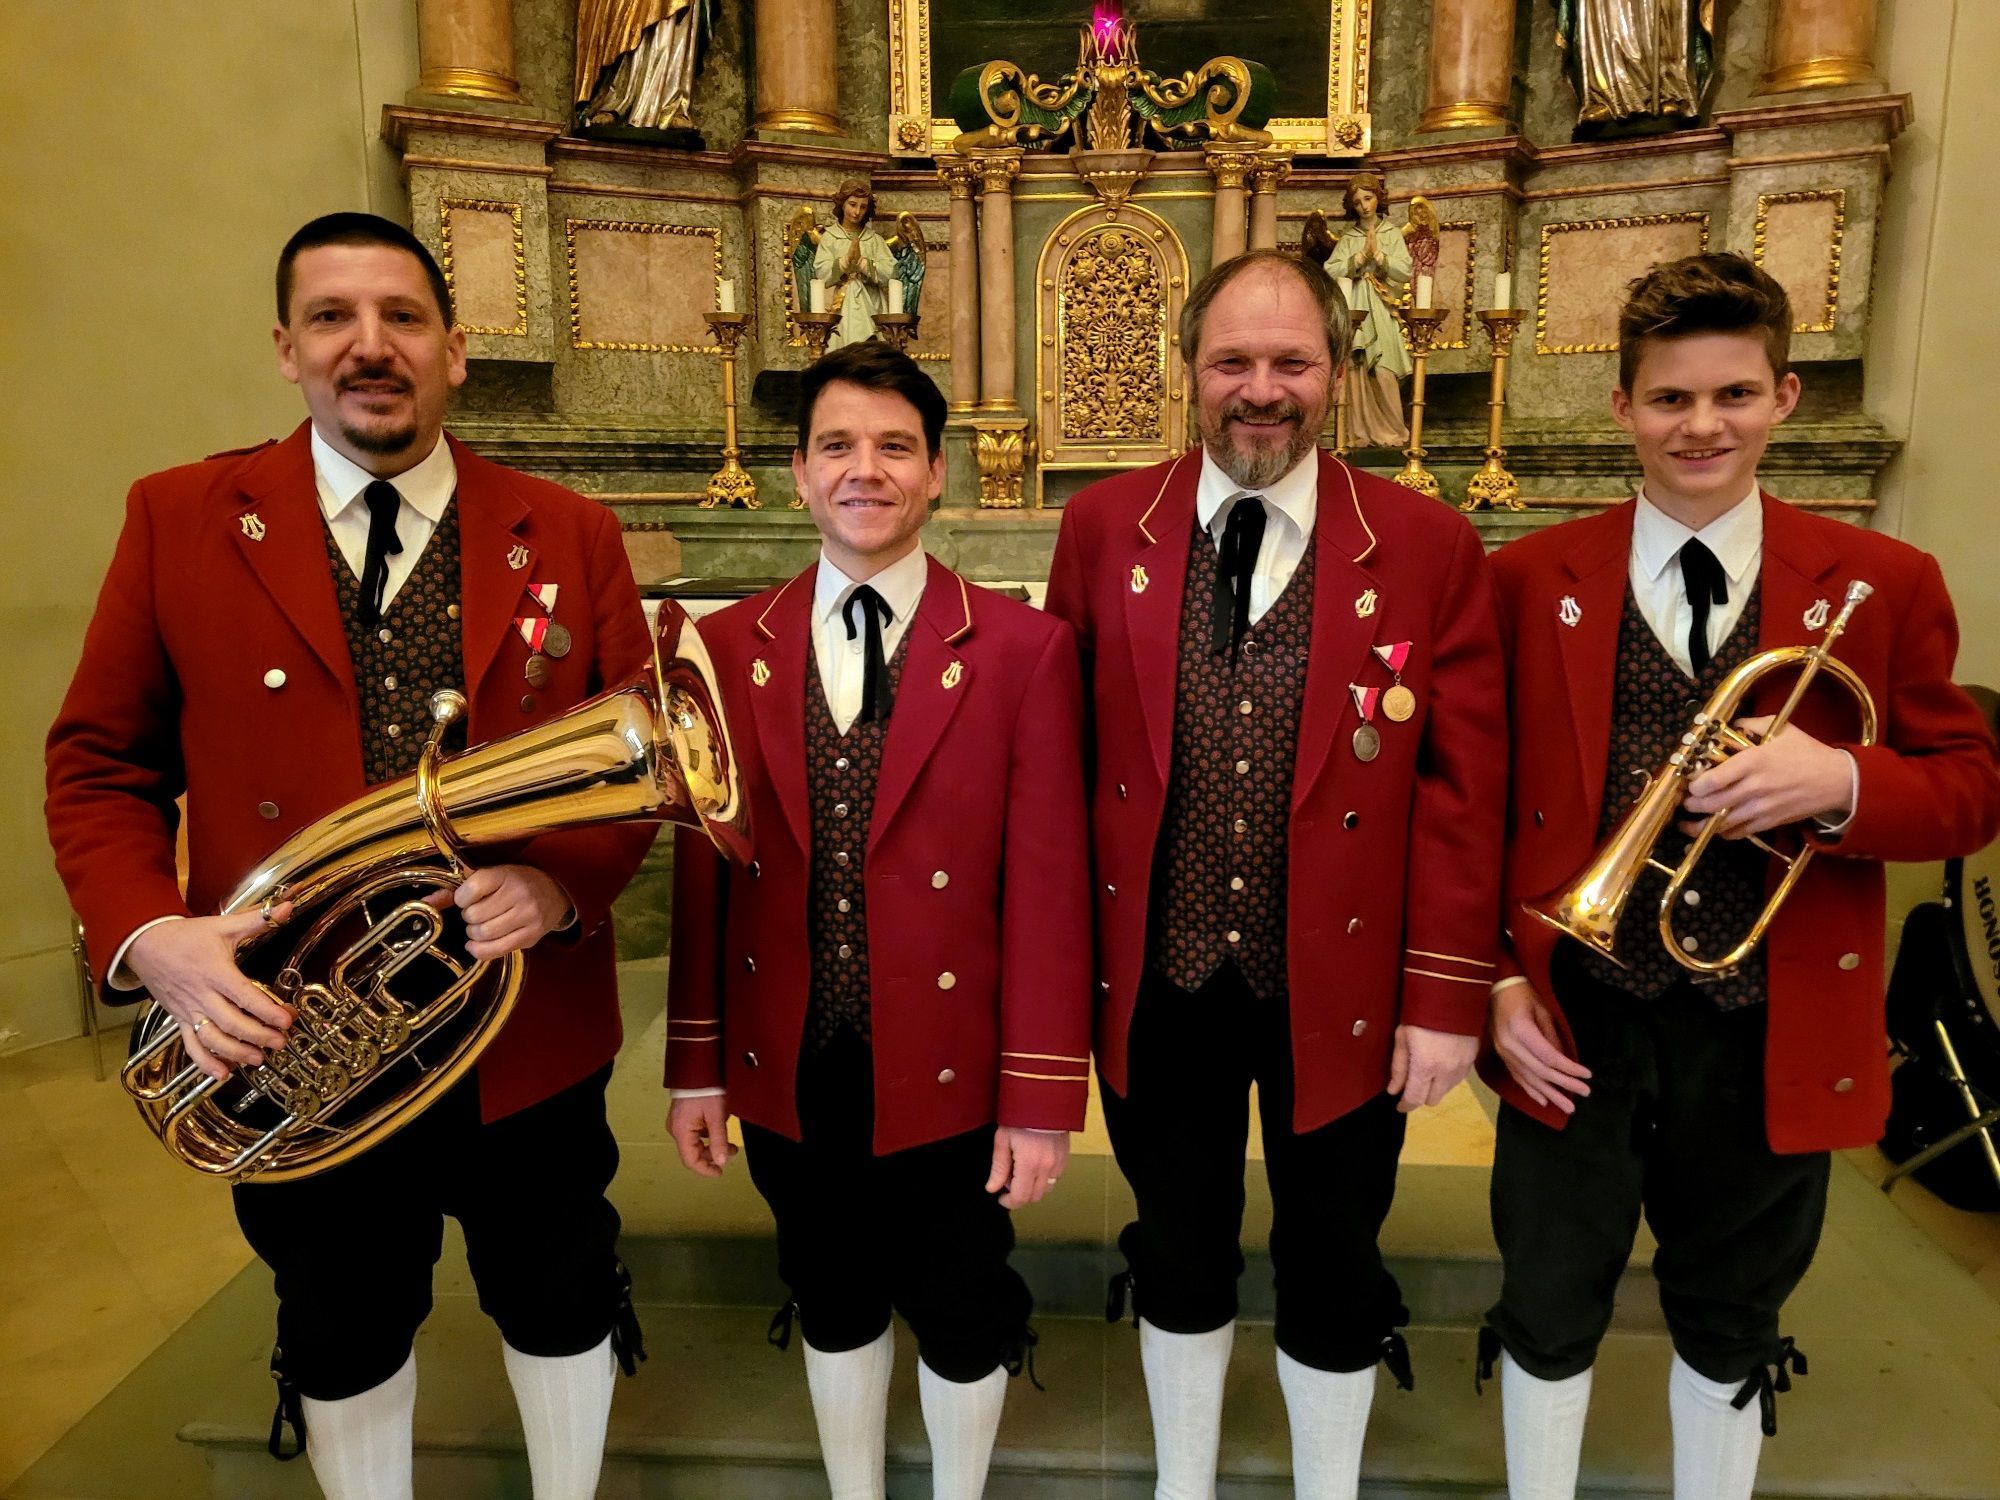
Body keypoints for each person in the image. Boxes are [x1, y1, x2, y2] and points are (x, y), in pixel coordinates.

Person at [45, 212, 659, 1500]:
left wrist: (560, 884)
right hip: (295, 1028)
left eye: (403, 318)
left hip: (523, 1024)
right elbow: (97, 768)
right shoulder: (179, 518)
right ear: (286, 349)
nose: (368, 346)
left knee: (557, 1289)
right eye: (332, 318)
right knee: (337, 1317)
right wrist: (152, 936)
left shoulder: (567, 526)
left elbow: (637, 766)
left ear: (455, 353)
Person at [1479, 251, 2000, 1499]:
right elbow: (1469, 813)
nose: (1698, 425)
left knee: (1731, 1311)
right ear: (1620, 411)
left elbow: (1971, 789)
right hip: (1574, 1016)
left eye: (1729, 393)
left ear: (1784, 396)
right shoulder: (1523, 580)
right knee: (1547, 1295)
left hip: (1766, 1015)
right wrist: (1494, 984)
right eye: (1668, 399)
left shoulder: (1882, 585)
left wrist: (1843, 786)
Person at [1044, 249, 1508, 1499]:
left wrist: (1445, 994)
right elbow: (1062, 767)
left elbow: (1464, 793)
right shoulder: (1100, 528)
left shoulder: (1422, 541)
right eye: (1232, 362)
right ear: (1186, 374)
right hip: (1161, 977)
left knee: (1334, 1251)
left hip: (1342, 990)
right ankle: (1183, 1482)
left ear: (1336, 374)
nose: (1261, 390)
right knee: (1176, 1244)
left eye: (1291, 362)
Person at [665, 342, 1092, 1500]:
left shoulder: (1023, 651)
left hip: (951, 1058)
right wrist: (695, 1066)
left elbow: (1051, 892)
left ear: (938, 472)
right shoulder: (721, 648)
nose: (867, 470)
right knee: (827, 1281)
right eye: (838, 446)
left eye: (894, 446)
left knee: (961, 1292)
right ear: (796, 473)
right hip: (789, 1045)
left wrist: (1042, 1097)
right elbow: (704, 874)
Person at [1322, 173, 1411, 449]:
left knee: (1384, 368)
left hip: (1381, 307)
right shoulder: (1349, 238)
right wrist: (1359, 258)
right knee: (1357, 368)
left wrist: (1380, 256)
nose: (1364, 206)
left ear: (1378, 199)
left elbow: (1406, 270)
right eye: (1357, 202)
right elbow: (1329, 269)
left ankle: (1394, 430)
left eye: (1368, 198)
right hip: (1357, 305)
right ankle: (1358, 431)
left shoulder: (1391, 233)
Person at [814, 178, 898, 351]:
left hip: (872, 304)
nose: (857, 211)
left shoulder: (874, 240)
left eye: (863, 206)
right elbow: (821, 273)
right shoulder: (831, 238)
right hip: (840, 308)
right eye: (852, 204)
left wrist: (862, 263)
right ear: (842, 204)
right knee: (851, 289)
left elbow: (891, 273)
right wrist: (845, 262)